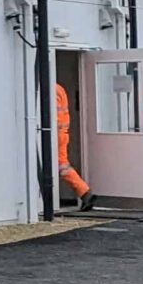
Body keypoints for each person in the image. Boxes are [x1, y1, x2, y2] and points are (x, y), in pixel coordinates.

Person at [55, 80, 92, 209]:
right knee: (63, 166)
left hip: (55, 134)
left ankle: (85, 193)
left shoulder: (51, 90)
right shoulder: (60, 89)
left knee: (60, 166)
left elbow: (53, 116)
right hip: (62, 133)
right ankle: (84, 193)